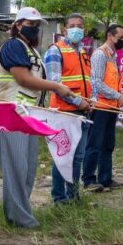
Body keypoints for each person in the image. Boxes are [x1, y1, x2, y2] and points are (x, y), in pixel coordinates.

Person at [0, 7, 74, 227]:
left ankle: (22, 213)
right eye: (30, 24)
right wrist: (57, 87)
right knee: (16, 170)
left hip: (29, 115)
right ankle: (18, 218)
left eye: (37, 25)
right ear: (18, 25)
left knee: (27, 169)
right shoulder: (13, 46)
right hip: (12, 114)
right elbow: (23, 79)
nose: (34, 28)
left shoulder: (31, 50)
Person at [43, 13, 92, 204]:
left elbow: (88, 82)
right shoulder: (56, 51)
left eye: (80, 25)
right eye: (72, 25)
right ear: (64, 30)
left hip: (83, 112)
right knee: (63, 157)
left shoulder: (83, 53)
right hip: (64, 112)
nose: (76, 29)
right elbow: (55, 84)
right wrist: (78, 101)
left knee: (78, 157)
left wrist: (91, 100)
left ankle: (73, 196)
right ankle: (60, 198)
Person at [82, 24, 123, 192]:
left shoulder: (113, 56)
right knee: (94, 144)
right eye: (121, 38)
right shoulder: (100, 55)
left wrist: (119, 99)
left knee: (108, 144)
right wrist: (119, 97)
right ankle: (89, 180)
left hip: (111, 107)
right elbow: (96, 82)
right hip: (101, 106)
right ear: (110, 36)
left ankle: (105, 178)